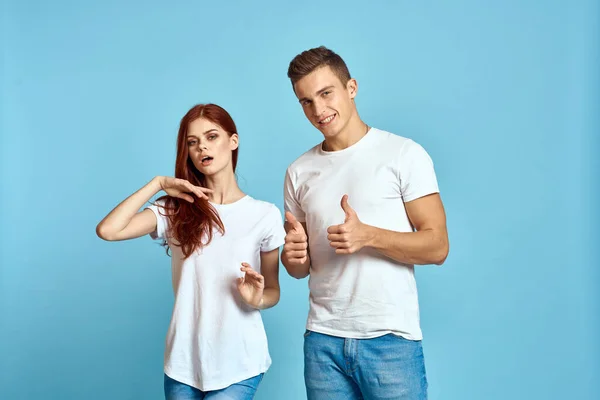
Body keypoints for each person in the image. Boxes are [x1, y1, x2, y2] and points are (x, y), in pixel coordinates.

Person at [281, 46, 450, 400]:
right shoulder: (298, 171)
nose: (319, 110)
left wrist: (368, 235)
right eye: (306, 101)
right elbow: (299, 267)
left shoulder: (404, 154)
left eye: (326, 93)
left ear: (351, 87)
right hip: (322, 341)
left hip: (389, 339)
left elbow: (437, 246)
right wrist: (293, 257)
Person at [96, 103, 285, 400]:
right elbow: (108, 231)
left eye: (212, 137)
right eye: (192, 142)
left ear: (233, 141)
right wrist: (157, 184)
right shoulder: (174, 211)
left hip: (240, 362)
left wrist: (257, 298)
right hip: (183, 364)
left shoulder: (265, 215)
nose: (202, 148)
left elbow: (273, 290)